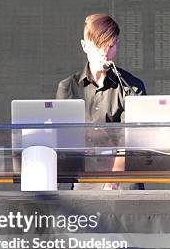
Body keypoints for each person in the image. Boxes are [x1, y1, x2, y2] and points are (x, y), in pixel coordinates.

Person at [56, 14, 146, 189]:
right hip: (85, 180)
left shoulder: (131, 86)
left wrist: (113, 180)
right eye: (99, 45)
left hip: (124, 183)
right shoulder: (68, 87)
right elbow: (63, 140)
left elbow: (131, 140)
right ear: (84, 46)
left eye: (111, 46)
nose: (105, 52)